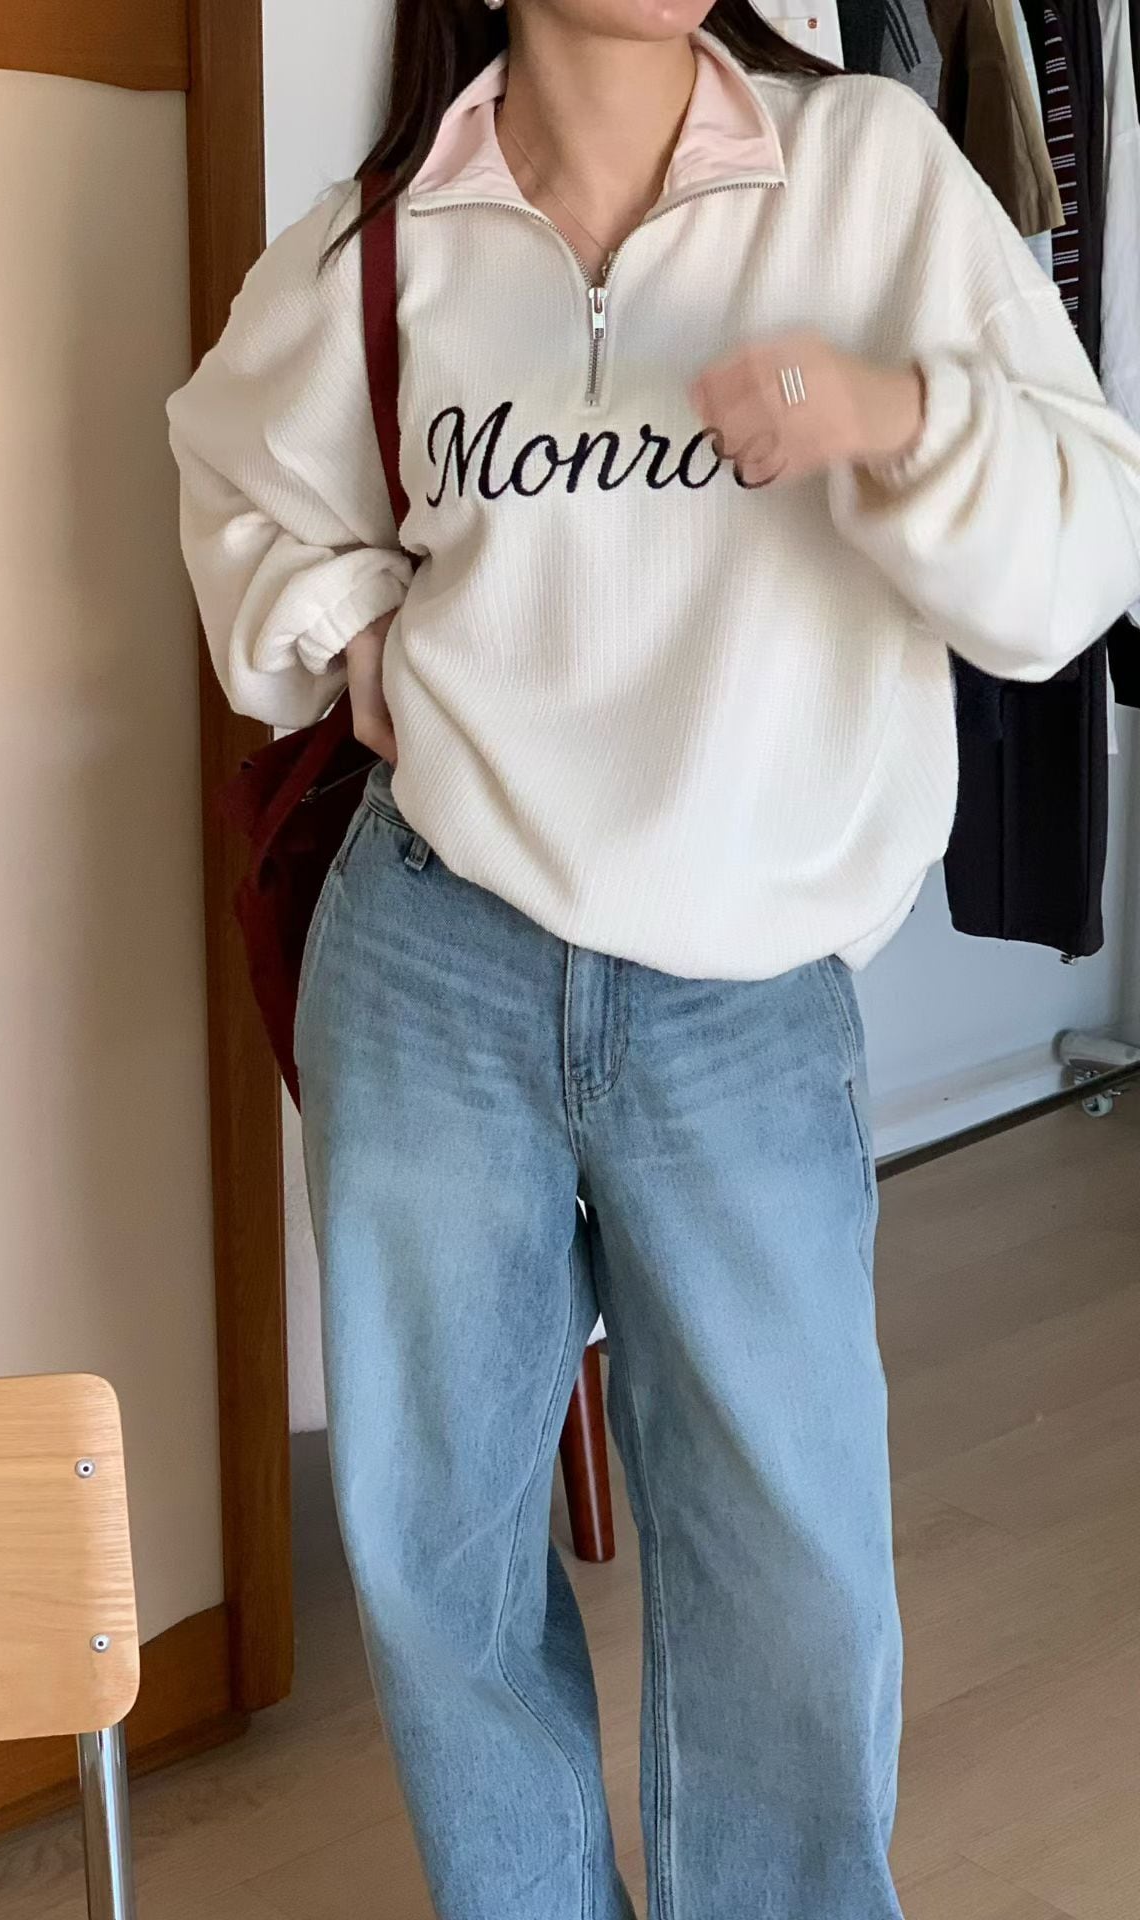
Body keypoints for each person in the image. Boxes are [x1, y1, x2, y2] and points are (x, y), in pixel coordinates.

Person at [167, 2, 1140, 1915]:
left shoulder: (863, 169)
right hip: (434, 966)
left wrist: (897, 417)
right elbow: (232, 473)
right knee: (441, 1562)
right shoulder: (393, 229)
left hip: (742, 1007)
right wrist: (354, 635)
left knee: (795, 1578)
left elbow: (1080, 551)